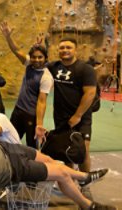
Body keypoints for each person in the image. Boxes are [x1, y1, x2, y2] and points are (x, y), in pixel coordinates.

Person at [47, 38, 97, 198]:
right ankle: (71, 183)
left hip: (81, 118)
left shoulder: (85, 69)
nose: (64, 50)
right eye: (61, 48)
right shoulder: (54, 67)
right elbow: (30, 62)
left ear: (75, 50)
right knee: (66, 152)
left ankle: (85, 184)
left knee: (83, 151)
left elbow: (90, 93)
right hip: (61, 118)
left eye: (68, 47)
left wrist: (78, 115)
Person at [0, 21, 54, 148]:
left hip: (31, 115)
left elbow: (41, 102)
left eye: (40, 57)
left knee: (31, 147)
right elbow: (16, 50)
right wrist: (8, 37)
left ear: (45, 58)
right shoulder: (29, 64)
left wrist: (39, 124)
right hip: (18, 111)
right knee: (9, 141)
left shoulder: (46, 77)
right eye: (34, 57)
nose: (37, 60)